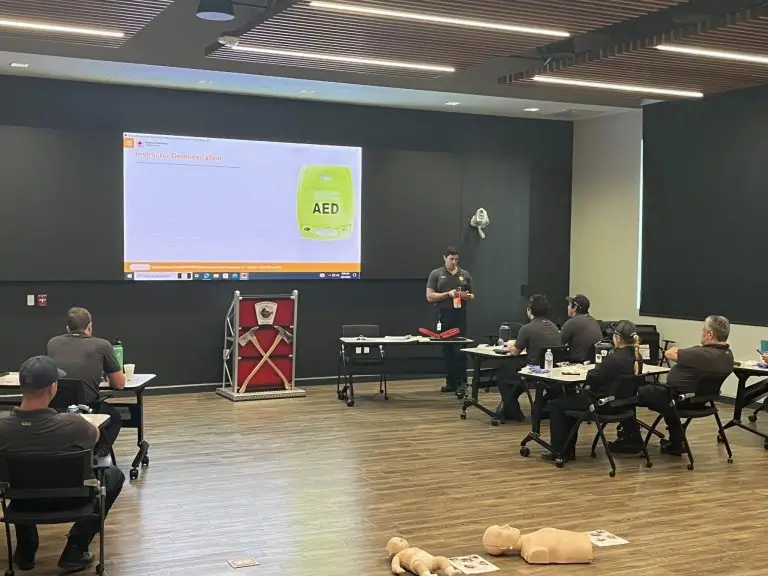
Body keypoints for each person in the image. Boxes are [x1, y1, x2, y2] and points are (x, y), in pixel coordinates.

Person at [0, 356, 125, 572]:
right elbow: (95, 436)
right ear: (52, 388)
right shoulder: (74, 425)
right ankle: (76, 547)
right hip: (73, 500)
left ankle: (25, 548)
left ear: (21, 386)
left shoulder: (2, 428)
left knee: (20, 476)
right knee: (114, 475)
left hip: (21, 504)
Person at [610, 315, 734, 455]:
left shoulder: (701, 354)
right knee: (665, 396)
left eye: (703, 330)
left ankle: (630, 438)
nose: (702, 332)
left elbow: (669, 353)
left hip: (678, 399)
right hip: (700, 399)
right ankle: (676, 441)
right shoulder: (727, 355)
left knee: (628, 391)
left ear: (710, 334)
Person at [542, 320, 643, 461]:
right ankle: (565, 449)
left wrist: (591, 371)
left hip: (602, 405)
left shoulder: (612, 360)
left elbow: (592, 379)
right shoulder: (637, 358)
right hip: (622, 405)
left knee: (557, 404)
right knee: (570, 401)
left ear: (617, 338)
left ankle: (560, 451)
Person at [46, 307, 125, 457]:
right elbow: (119, 384)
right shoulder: (102, 345)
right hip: (87, 408)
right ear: (90, 326)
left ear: (67, 328)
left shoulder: (52, 343)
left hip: (56, 407)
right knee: (115, 417)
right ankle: (98, 454)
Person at [497, 294, 561, 421]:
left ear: (530, 310)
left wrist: (509, 345)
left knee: (503, 376)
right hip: (551, 372)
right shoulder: (554, 327)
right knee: (513, 379)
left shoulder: (527, 328)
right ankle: (509, 408)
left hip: (534, 373)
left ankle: (514, 412)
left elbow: (515, 352)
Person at [426, 247, 475, 393]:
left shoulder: (464, 274)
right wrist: (448, 294)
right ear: (444, 258)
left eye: (456, 259)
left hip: (459, 316)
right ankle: (451, 382)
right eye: (451, 259)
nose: (453, 262)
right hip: (442, 315)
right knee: (447, 350)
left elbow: (472, 295)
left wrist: (462, 295)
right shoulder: (436, 274)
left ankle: (462, 383)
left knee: (460, 349)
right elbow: (429, 296)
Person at [560, 294, 602, 363]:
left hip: (577, 363)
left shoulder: (572, 322)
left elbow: (559, 343)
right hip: (592, 363)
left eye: (570, 305)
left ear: (575, 308)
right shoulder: (594, 321)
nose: (568, 307)